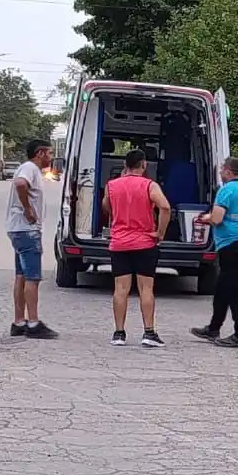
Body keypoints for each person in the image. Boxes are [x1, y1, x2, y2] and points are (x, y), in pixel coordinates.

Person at [101, 149, 172, 347]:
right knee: (145, 288)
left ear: (125, 165)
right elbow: (165, 207)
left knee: (120, 289)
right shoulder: (150, 185)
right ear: (143, 165)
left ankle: (119, 333)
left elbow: (106, 206)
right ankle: (149, 333)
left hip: (119, 243)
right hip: (144, 243)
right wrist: (160, 233)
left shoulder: (111, 185)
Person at [191, 157, 238, 349]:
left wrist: (206, 218)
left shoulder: (226, 190)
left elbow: (218, 218)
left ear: (229, 171)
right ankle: (213, 328)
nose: (220, 172)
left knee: (235, 289)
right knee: (222, 287)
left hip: (232, 244)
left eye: (222, 169)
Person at [6, 139, 58, 339]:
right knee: (32, 277)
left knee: (21, 275)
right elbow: (20, 184)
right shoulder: (30, 168)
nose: (51, 158)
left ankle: (19, 321)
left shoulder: (29, 169)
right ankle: (34, 323)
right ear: (40, 153)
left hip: (18, 230)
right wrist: (28, 210)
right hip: (27, 231)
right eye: (49, 153)